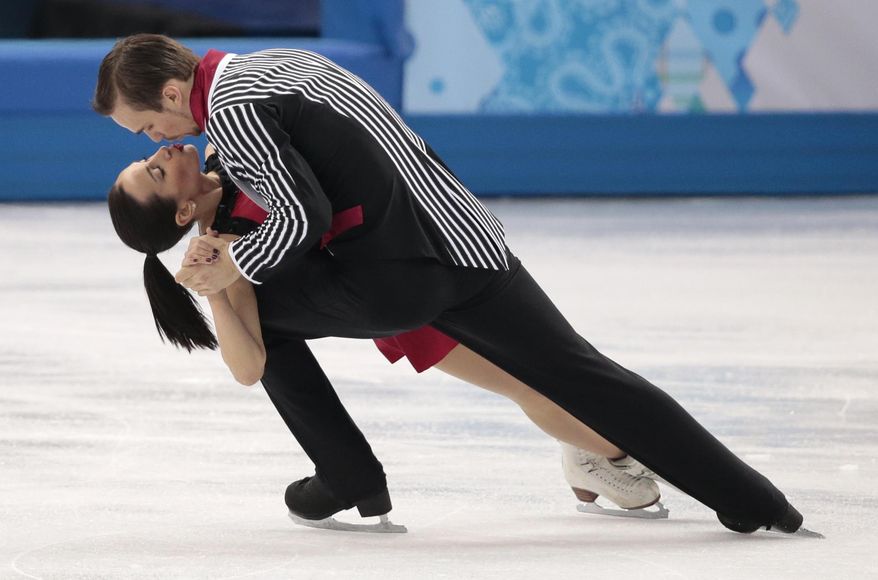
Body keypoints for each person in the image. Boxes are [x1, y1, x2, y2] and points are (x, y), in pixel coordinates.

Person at [94, 34, 807, 535]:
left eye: (146, 127)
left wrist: (232, 272)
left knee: (270, 324)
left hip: (395, 277)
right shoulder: (279, 64)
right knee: (588, 375)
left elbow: (304, 215)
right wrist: (225, 275)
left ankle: (347, 475)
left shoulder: (235, 113)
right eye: (148, 148)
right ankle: (754, 500)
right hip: (468, 238)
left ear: (169, 90)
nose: (157, 139)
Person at [109, 142, 664, 525]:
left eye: (147, 155)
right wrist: (212, 289)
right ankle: (623, 452)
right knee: (526, 383)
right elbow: (249, 367)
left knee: (543, 370)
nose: (160, 152)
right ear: (183, 211)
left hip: (414, 253)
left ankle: (609, 450)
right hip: (402, 303)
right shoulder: (223, 242)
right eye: (154, 171)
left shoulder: (231, 151)